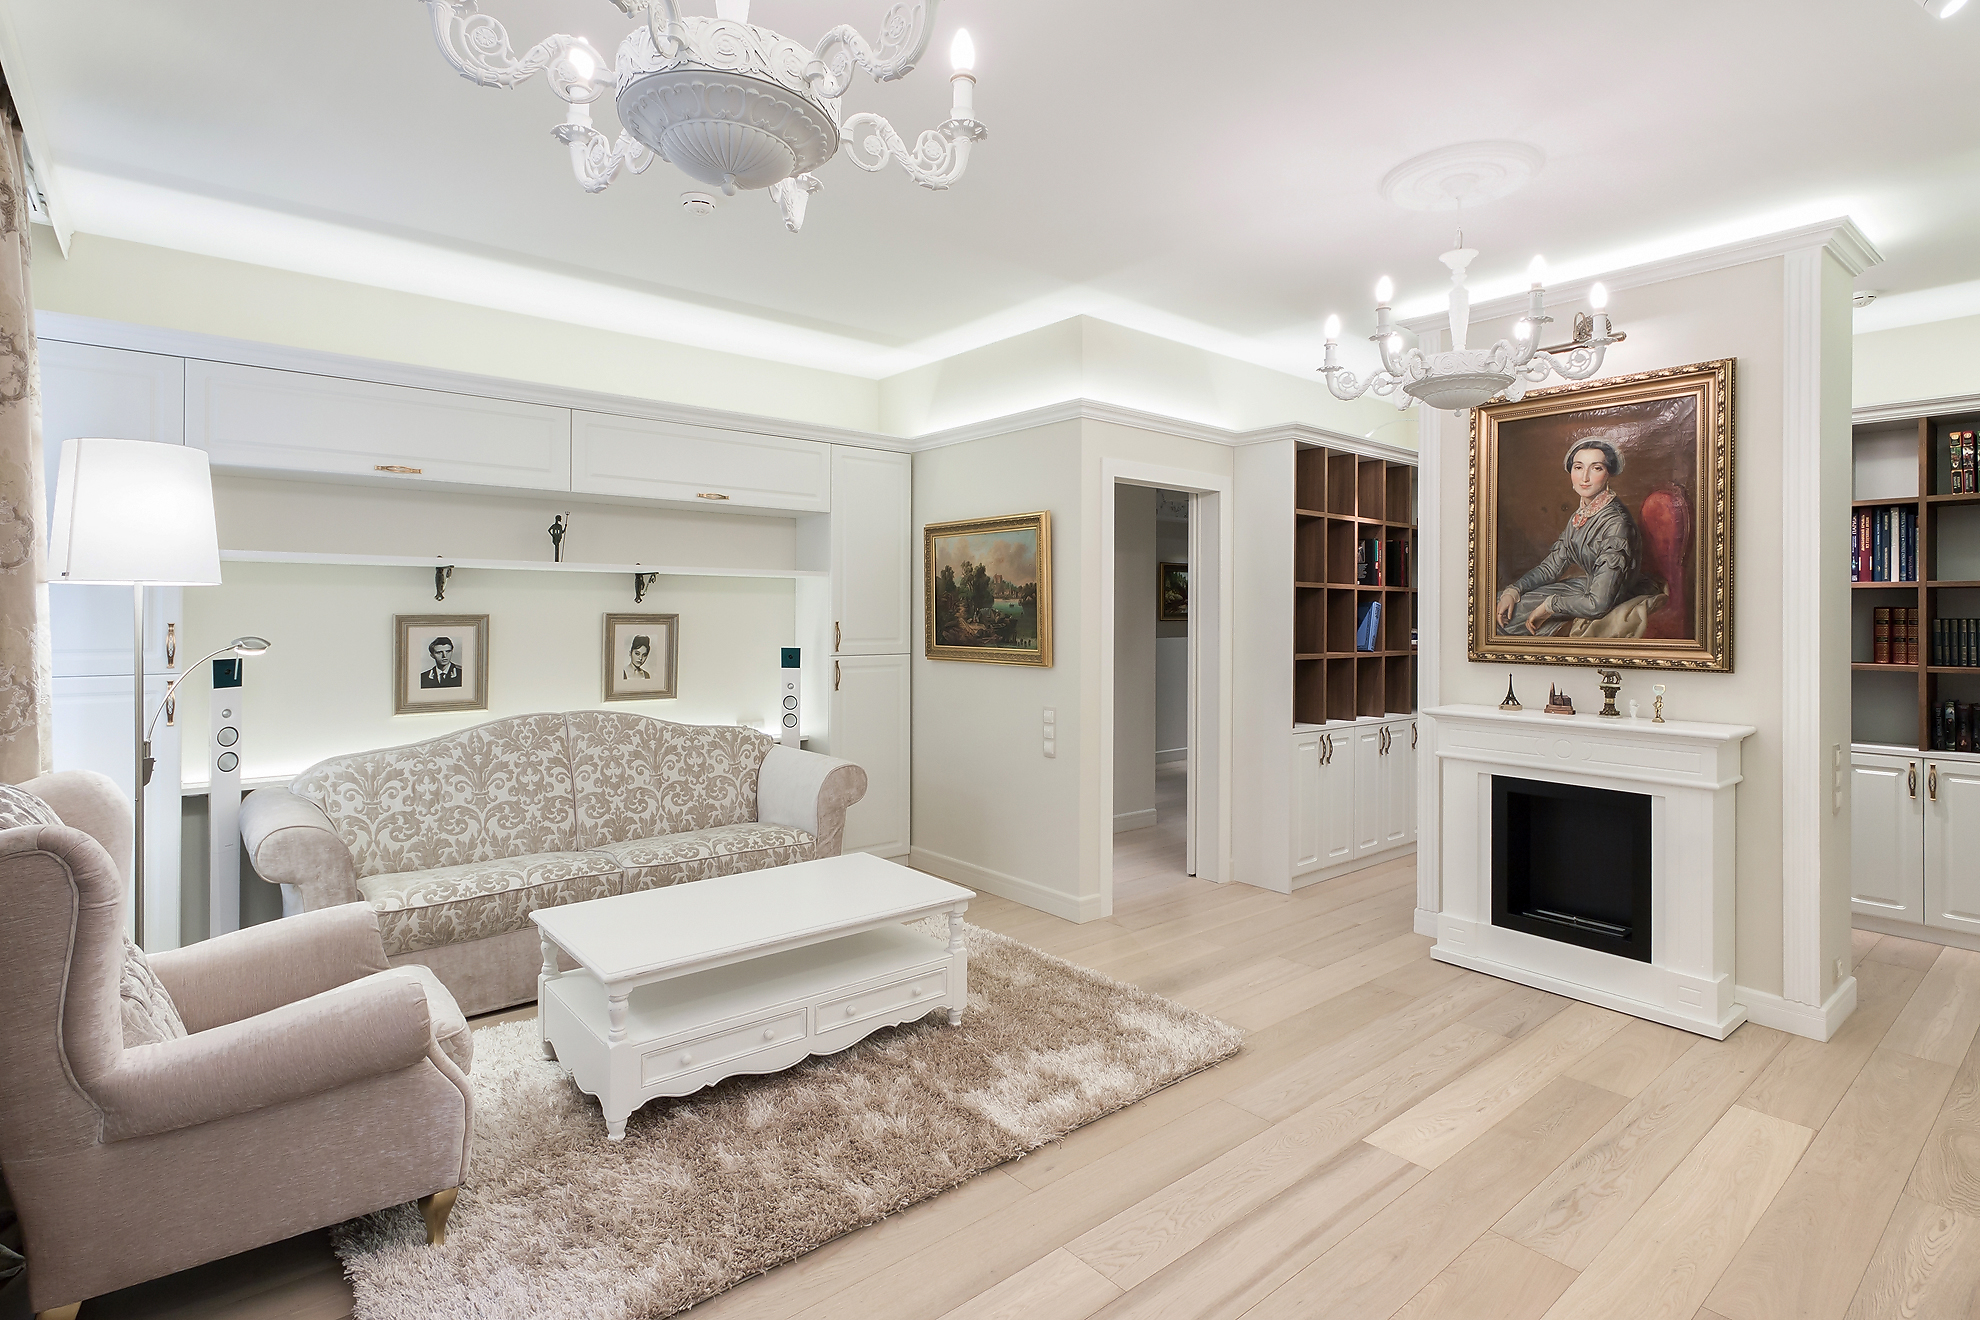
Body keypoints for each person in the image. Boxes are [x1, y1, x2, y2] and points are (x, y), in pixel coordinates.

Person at [1496, 439, 1656, 637]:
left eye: (1596, 468)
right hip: (1586, 590)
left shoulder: (1617, 524)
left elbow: (1599, 603)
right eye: (1578, 467)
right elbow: (1551, 568)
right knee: (1498, 603)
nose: (1585, 477)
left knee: (1509, 621)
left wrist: (1550, 606)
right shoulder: (1580, 516)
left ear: (1608, 473)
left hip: (1608, 598)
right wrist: (1514, 590)